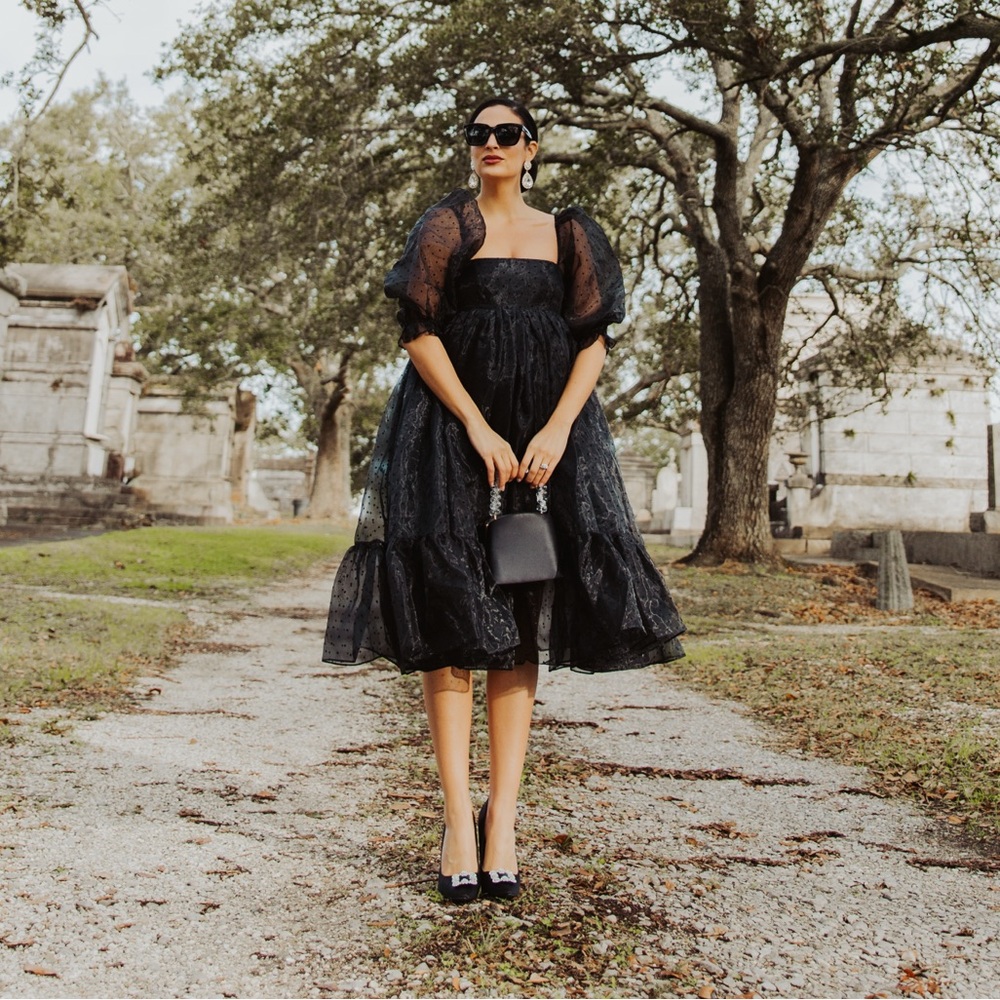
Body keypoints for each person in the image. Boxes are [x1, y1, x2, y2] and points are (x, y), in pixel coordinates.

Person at [323, 97, 684, 903]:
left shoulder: (570, 234)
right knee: (452, 615)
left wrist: (554, 431)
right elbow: (418, 332)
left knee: (523, 614)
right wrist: (478, 427)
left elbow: (591, 343)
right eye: (478, 135)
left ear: (532, 149)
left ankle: (505, 819)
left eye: (507, 134)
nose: (492, 145)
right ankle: (457, 816)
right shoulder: (446, 226)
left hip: (549, 438)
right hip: (452, 433)